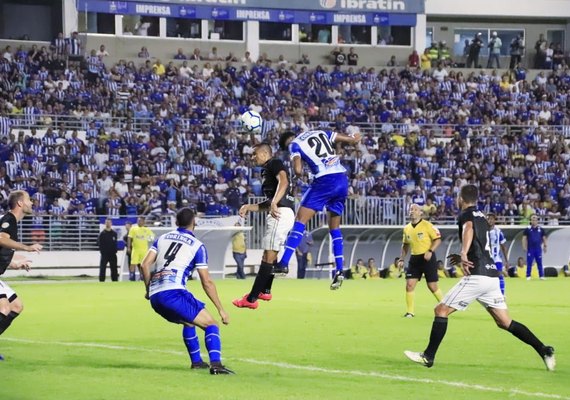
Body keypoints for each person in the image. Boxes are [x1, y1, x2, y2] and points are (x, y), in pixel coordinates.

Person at [404, 185, 555, 371]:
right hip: (492, 276)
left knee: (440, 310)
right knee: (505, 322)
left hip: (477, 276)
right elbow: (481, 244)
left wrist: (464, 253)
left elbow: (468, 229)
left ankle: (428, 356)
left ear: (461, 198)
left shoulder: (466, 215)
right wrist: (464, 256)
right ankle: (544, 350)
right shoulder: (482, 216)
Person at [140, 208, 234, 375]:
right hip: (174, 292)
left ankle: (197, 362)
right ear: (194, 223)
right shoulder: (197, 246)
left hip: (156, 296)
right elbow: (207, 282)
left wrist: (149, 289)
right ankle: (216, 365)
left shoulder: (162, 238)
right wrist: (221, 309)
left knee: (189, 321)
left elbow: (144, 264)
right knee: (211, 324)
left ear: (176, 223)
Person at [276, 130, 362, 290]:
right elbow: (340, 138)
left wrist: (299, 174)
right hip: (342, 179)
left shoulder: (294, 145)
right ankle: (339, 270)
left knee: (300, 220)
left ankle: (283, 263)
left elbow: (298, 170)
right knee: (335, 228)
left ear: (287, 141)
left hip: (324, 180)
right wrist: (352, 139)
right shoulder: (317, 132)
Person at [232, 143, 295, 309]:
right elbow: (269, 202)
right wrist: (248, 207)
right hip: (280, 211)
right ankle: (265, 290)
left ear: (265, 153)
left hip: (280, 214)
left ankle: (251, 299)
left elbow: (284, 181)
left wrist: (274, 202)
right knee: (269, 255)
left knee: (268, 256)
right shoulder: (267, 170)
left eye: (255, 154)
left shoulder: (274, 163)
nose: (252, 157)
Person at [0, 191, 43, 360]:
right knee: (4, 308)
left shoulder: (12, 222)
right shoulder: (8, 220)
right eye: (28, 200)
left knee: (16, 306)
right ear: (19, 203)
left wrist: (15, 264)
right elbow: (1, 239)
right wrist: (26, 247)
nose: (31, 203)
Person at [398, 204, 443, 318]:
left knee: (432, 286)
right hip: (415, 259)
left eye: (415, 209)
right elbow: (405, 245)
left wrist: (430, 251)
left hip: (427, 257)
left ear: (420, 213)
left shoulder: (427, 225)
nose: (412, 211)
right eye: (410, 209)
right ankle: (410, 312)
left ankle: (445, 305)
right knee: (409, 285)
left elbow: (437, 240)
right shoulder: (407, 228)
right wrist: (402, 258)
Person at [487, 214, 509, 294]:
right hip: (486, 258)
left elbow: (503, 247)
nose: (490, 220)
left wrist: (506, 261)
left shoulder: (498, 231)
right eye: (488, 219)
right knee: (487, 277)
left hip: (496, 258)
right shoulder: (482, 231)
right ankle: (490, 295)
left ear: (494, 220)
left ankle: (502, 294)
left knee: (499, 275)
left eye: (491, 219)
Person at [127, 217, 154, 281]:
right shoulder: (133, 229)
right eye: (138, 221)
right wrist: (128, 247)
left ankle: (142, 277)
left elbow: (152, 237)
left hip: (144, 250)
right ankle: (132, 277)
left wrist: (150, 238)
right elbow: (129, 238)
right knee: (133, 263)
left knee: (143, 264)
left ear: (143, 222)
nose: (139, 222)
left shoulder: (147, 229)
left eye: (141, 221)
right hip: (135, 250)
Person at [522, 214, 547, 280]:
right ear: (531, 221)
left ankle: (541, 276)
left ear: (537, 221)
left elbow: (544, 238)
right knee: (529, 262)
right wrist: (524, 246)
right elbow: (524, 238)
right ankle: (528, 276)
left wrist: (545, 246)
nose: (534, 221)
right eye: (532, 219)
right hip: (530, 248)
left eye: (535, 219)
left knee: (539, 262)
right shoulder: (527, 229)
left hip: (538, 248)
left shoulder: (541, 229)